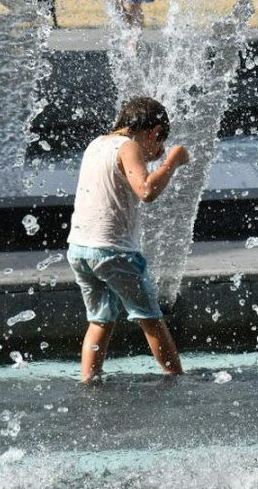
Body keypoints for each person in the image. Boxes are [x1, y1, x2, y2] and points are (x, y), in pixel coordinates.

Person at [66, 96, 190, 382]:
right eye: (158, 144)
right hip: (114, 253)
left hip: (80, 249)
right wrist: (172, 160)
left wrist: (155, 158)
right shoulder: (129, 146)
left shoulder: (96, 144)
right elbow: (146, 191)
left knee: (100, 319)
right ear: (154, 132)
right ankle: (177, 379)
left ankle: (89, 380)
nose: (156, 153)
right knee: (151, 320)